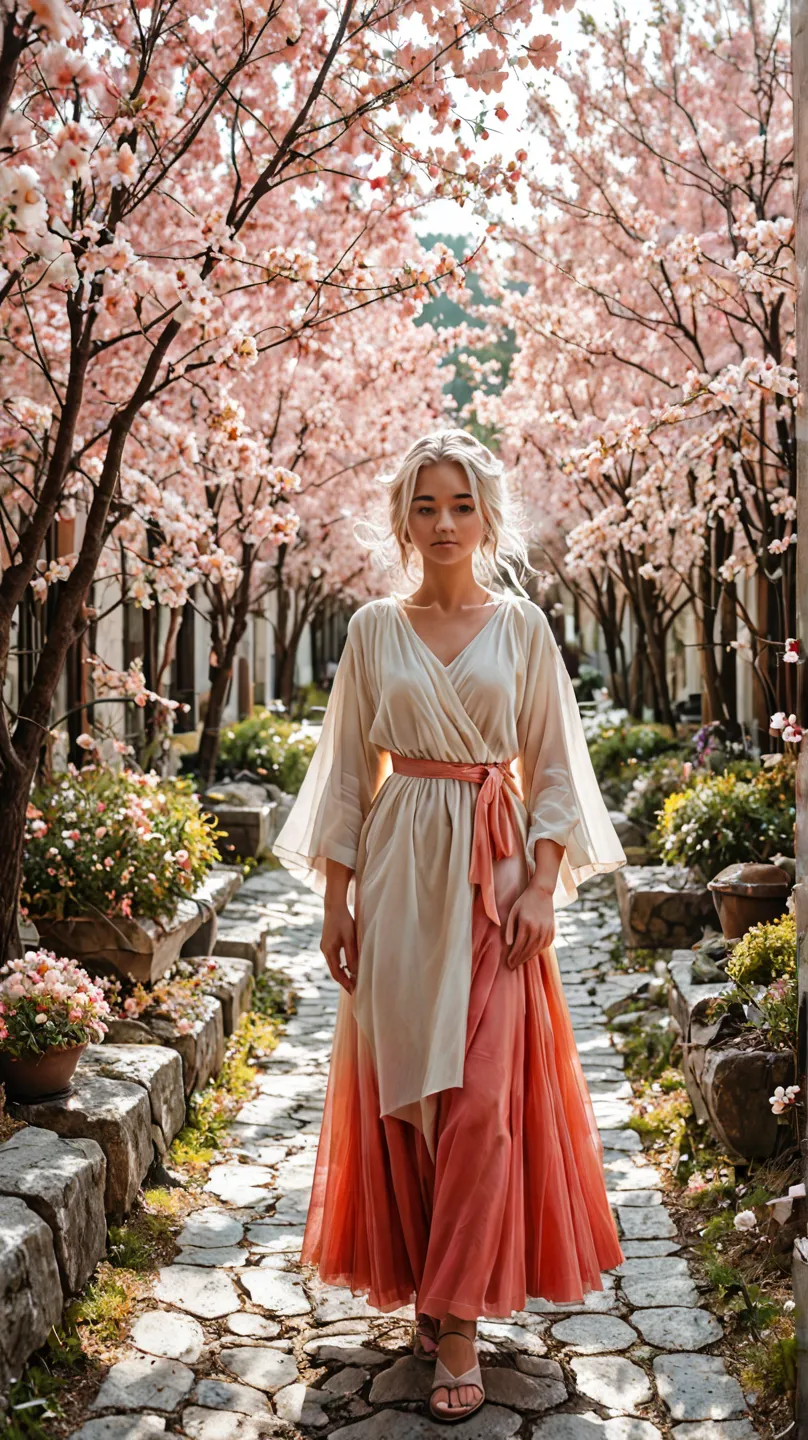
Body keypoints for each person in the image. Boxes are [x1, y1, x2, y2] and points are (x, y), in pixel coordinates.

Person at [272, 429, 626, 1424]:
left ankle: (458, 1322)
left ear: (486, 516)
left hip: (493, 876)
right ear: (401, 518)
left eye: (459, 505)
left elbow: (554, 765)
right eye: (425, 506)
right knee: (413, 1107)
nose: (442, 524)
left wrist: (541, 882)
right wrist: (336, 901)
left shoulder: (520, 628)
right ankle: (441, 1283)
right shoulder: (372, 631)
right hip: (395, 879)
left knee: (480, 1105)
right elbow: (345, 772)